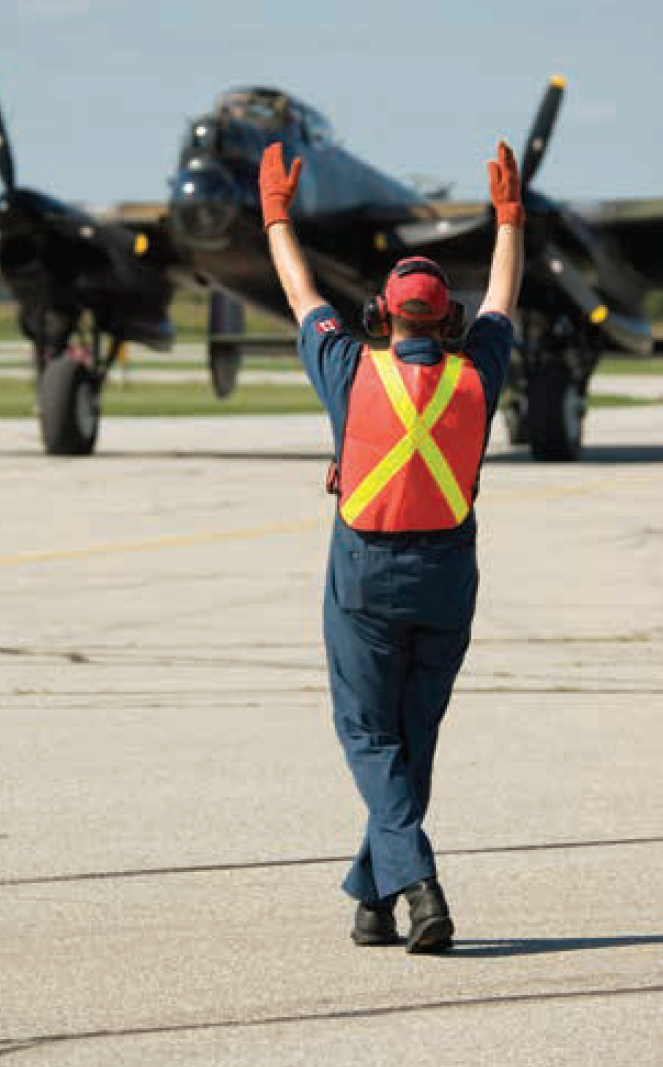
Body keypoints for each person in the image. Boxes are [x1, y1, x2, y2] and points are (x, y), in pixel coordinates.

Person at [259, 140, 524, 953]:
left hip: (366, 579)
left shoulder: (349, 369)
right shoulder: (479, 370)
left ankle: (419, 886)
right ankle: (372, 896)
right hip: (448, 579)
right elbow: (505, 295)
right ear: (448, 319)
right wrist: (510, 220)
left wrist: (274, 215)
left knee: (371, 739)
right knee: (412, 739)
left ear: (381, 312)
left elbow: (301, 290)